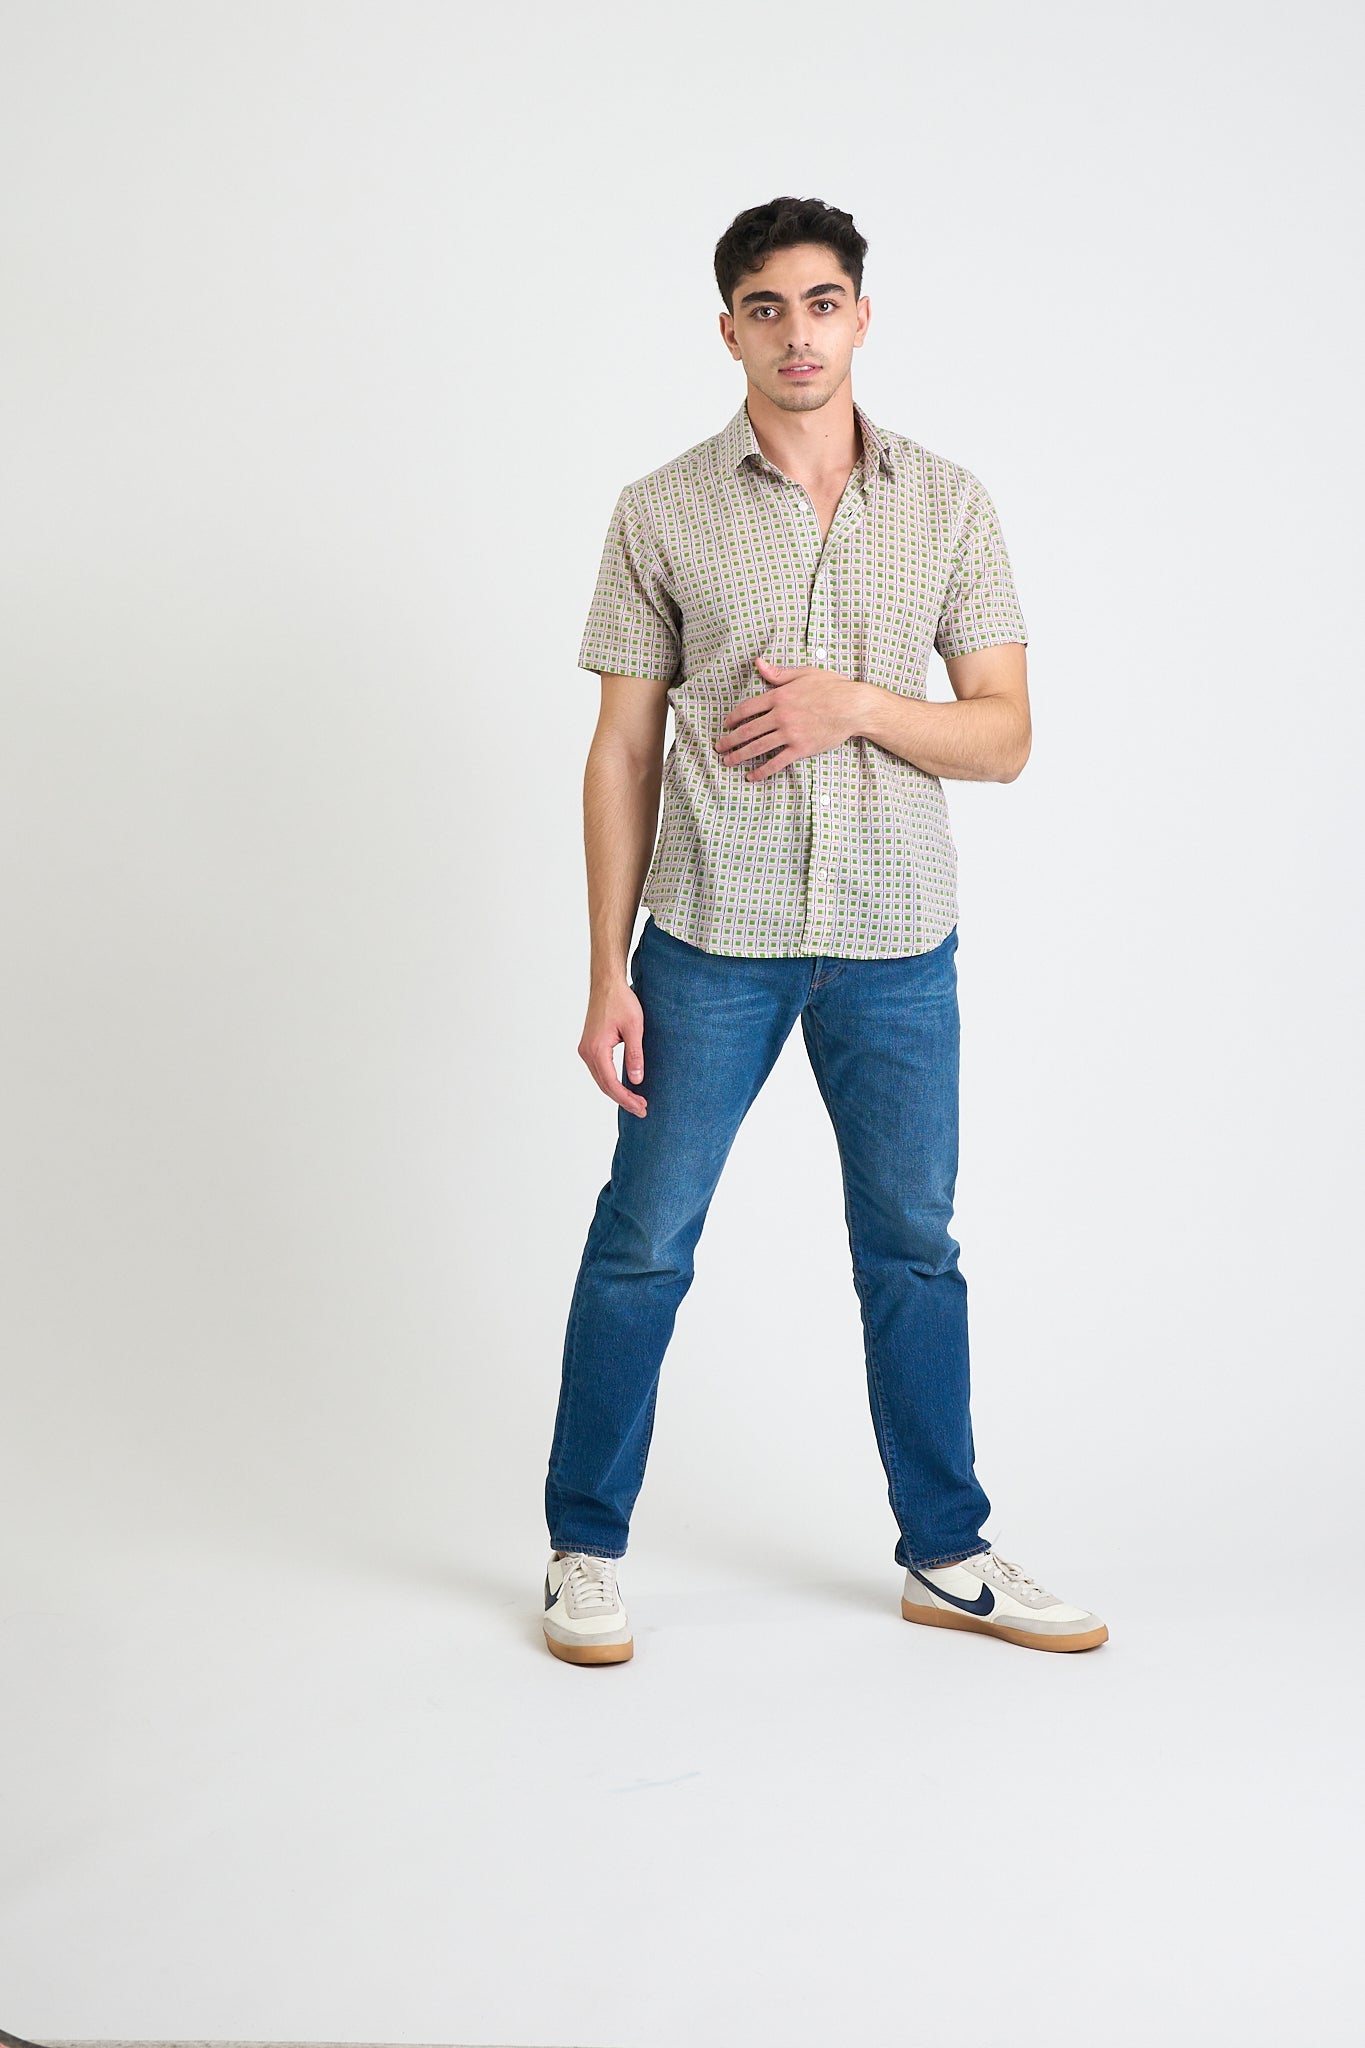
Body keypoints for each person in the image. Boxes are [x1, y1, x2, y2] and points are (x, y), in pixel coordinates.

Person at [541, 194, 1107, 1666]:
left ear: (862, 316)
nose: (797, 333)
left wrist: (853, 704)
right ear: (728, 330)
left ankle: (947, 1554)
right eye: (766, 308)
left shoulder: (948, 502)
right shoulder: (659, 509)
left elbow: (1004, 737)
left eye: (821, 302)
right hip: (708, 942)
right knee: (643, 1242)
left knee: (912, 1248)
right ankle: (584, 1549)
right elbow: (621, 750)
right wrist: (604, 970)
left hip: (896, 940)